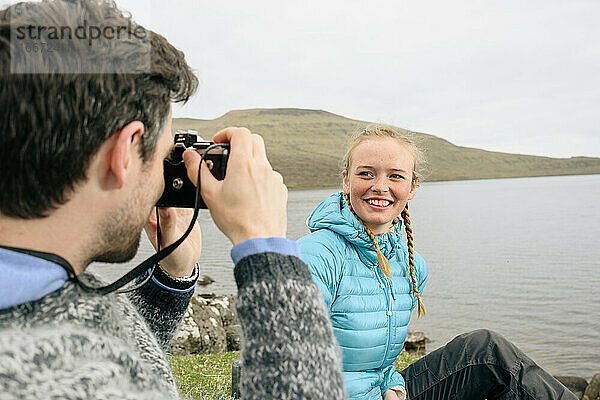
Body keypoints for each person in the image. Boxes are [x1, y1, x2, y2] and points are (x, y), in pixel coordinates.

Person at [0, 1, 345, 399]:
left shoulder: (47, 287)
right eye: (164, 155)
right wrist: (265, 247)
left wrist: (169, 281)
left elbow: (79, 330)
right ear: (124, 153)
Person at [298, 125, 577, 400]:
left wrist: (391, 385)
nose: (380, 186)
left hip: (381, 394)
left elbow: (378, 362)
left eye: (395, 176)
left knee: (485, 352)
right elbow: (289, 363)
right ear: (346, 180)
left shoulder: (411, 266)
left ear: (412, 187)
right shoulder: (316, 256)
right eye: (366, 173)